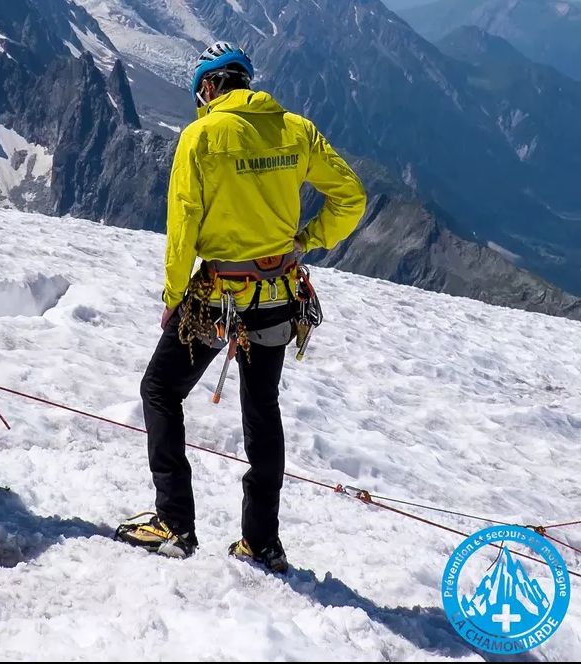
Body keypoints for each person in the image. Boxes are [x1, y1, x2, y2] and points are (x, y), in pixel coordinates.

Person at [115, 42, 367, 569]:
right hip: (279, 294)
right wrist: (306, 240)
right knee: (261, 409)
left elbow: (182, 225)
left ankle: (174, 522)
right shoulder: (296, 130)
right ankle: (261, 540)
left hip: (216, 299)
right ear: (246, 82)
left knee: (160, 390)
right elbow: (351, 197)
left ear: (208, 86)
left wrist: (173, 297)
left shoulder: (201, 137)